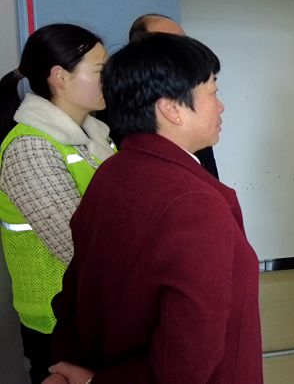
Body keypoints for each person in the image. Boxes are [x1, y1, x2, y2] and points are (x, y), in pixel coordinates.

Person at [44, 33, 262, 383]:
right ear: (171, 108)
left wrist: (68, 367)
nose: (221, 106)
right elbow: (186, 362)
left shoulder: (113, 170)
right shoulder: (194, 203)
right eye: (213, 92)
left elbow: (74, 295)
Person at [0, 24, 114, 384]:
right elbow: (75, 245)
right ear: (60, 77)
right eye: (100, 70)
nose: (109, 79)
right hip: (58, 319)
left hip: (96, 310)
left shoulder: (97, 138)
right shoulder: (31, 147)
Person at [102, 13, 220, 179]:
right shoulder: (111, 119)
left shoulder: (194, 129)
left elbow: (210, 180)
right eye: (168, 42)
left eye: (182, 41)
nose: (181, 50)